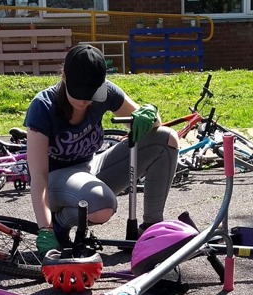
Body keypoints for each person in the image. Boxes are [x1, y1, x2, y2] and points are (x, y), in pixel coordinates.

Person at [24, 44, 179, 256]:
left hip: (89, 168)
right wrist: (45, 229)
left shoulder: (106, 92)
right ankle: (60, 223)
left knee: (166, 139)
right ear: (65, 77)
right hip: (53, 180)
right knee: (102, 205)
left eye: (91, 93)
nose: (85, 100)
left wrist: (150, 112)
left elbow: (153, 126)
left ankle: (151, 229)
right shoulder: (43, 106)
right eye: (79, 92)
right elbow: (38, 177)